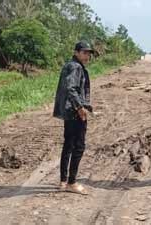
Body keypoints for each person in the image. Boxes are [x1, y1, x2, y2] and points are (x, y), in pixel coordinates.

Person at [53, 41, 94, 194]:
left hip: (68, 111)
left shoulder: (71, 65)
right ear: (76, 52)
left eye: (89, 53)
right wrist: (80, 107)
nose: (87, 55)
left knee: (68, 145)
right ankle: (72, 182)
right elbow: (71, 88)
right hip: (74, 111)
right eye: (84, 52)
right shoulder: (76, 67)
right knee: (78, 146)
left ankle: (64, 181)